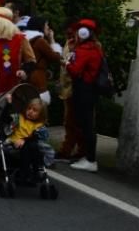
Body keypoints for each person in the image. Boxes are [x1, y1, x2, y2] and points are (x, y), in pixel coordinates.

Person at [65, 18, 104, 173]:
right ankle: (88, 157)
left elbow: (75, 71)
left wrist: (67, 64)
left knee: (86, 124)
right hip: (89, 89)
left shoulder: (85, 50)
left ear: (83, 33)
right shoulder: (95, 48)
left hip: (84, 89)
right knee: (86, 123)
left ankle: (90, 159)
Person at [56, 25, 83, 161]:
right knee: (69, 121)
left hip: (76, 89)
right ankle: (67, 150)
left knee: (76, 122)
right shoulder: (68, 43)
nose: (69, 37)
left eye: (71, 34)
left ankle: (77, 151)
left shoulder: (82, 45)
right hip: (67, 87)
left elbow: (76, 66)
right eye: (67, 34)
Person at [6, 96, 48, 183]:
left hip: (30, 144)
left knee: (34, 145)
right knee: (28, 146)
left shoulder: (39, 125)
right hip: (16, 142)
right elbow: (10, 114)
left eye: (35, 110)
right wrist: (9, 103)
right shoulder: (19, 118)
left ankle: (37, 170)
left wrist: (25, 139)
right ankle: (25, 171)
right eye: (29, 108)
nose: (30, 111)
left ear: (41, 114)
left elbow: (38, 136)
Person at [23, 16, 63, 105]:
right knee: (40, 105)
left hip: (27, 75)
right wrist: (52, 40)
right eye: (46, 25)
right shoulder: (40, 41)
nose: (48, 28)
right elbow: (55, 57)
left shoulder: (25, 40)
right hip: (38, 77)